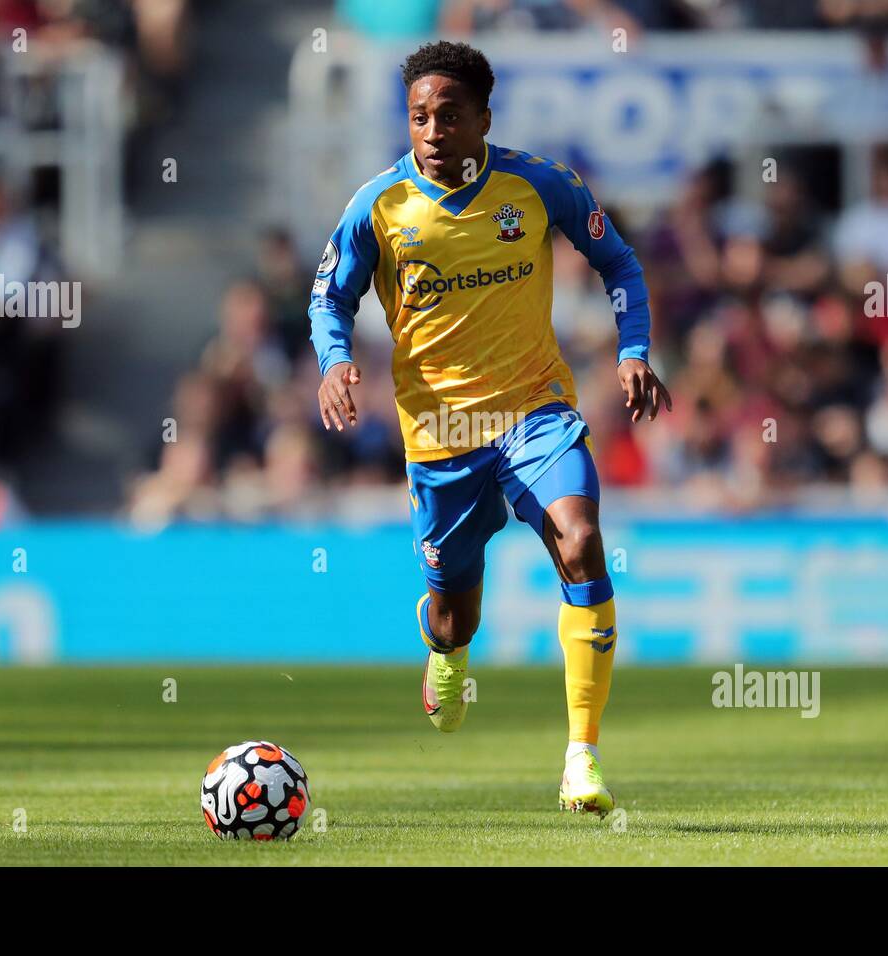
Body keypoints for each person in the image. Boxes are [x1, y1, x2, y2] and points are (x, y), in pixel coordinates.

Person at [307, 41, 672, 817]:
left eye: (447, 115)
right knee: (453, 612)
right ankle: (445, 648)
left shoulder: (538, 186)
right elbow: (328, 300)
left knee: (581, 540)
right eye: (418, 117)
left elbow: (620, 265)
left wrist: (634, 350)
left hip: (534, 411)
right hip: (439, 434)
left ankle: (582, 756)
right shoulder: (378, 205)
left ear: (483, 119)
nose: (431, 130)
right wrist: (335, 362)